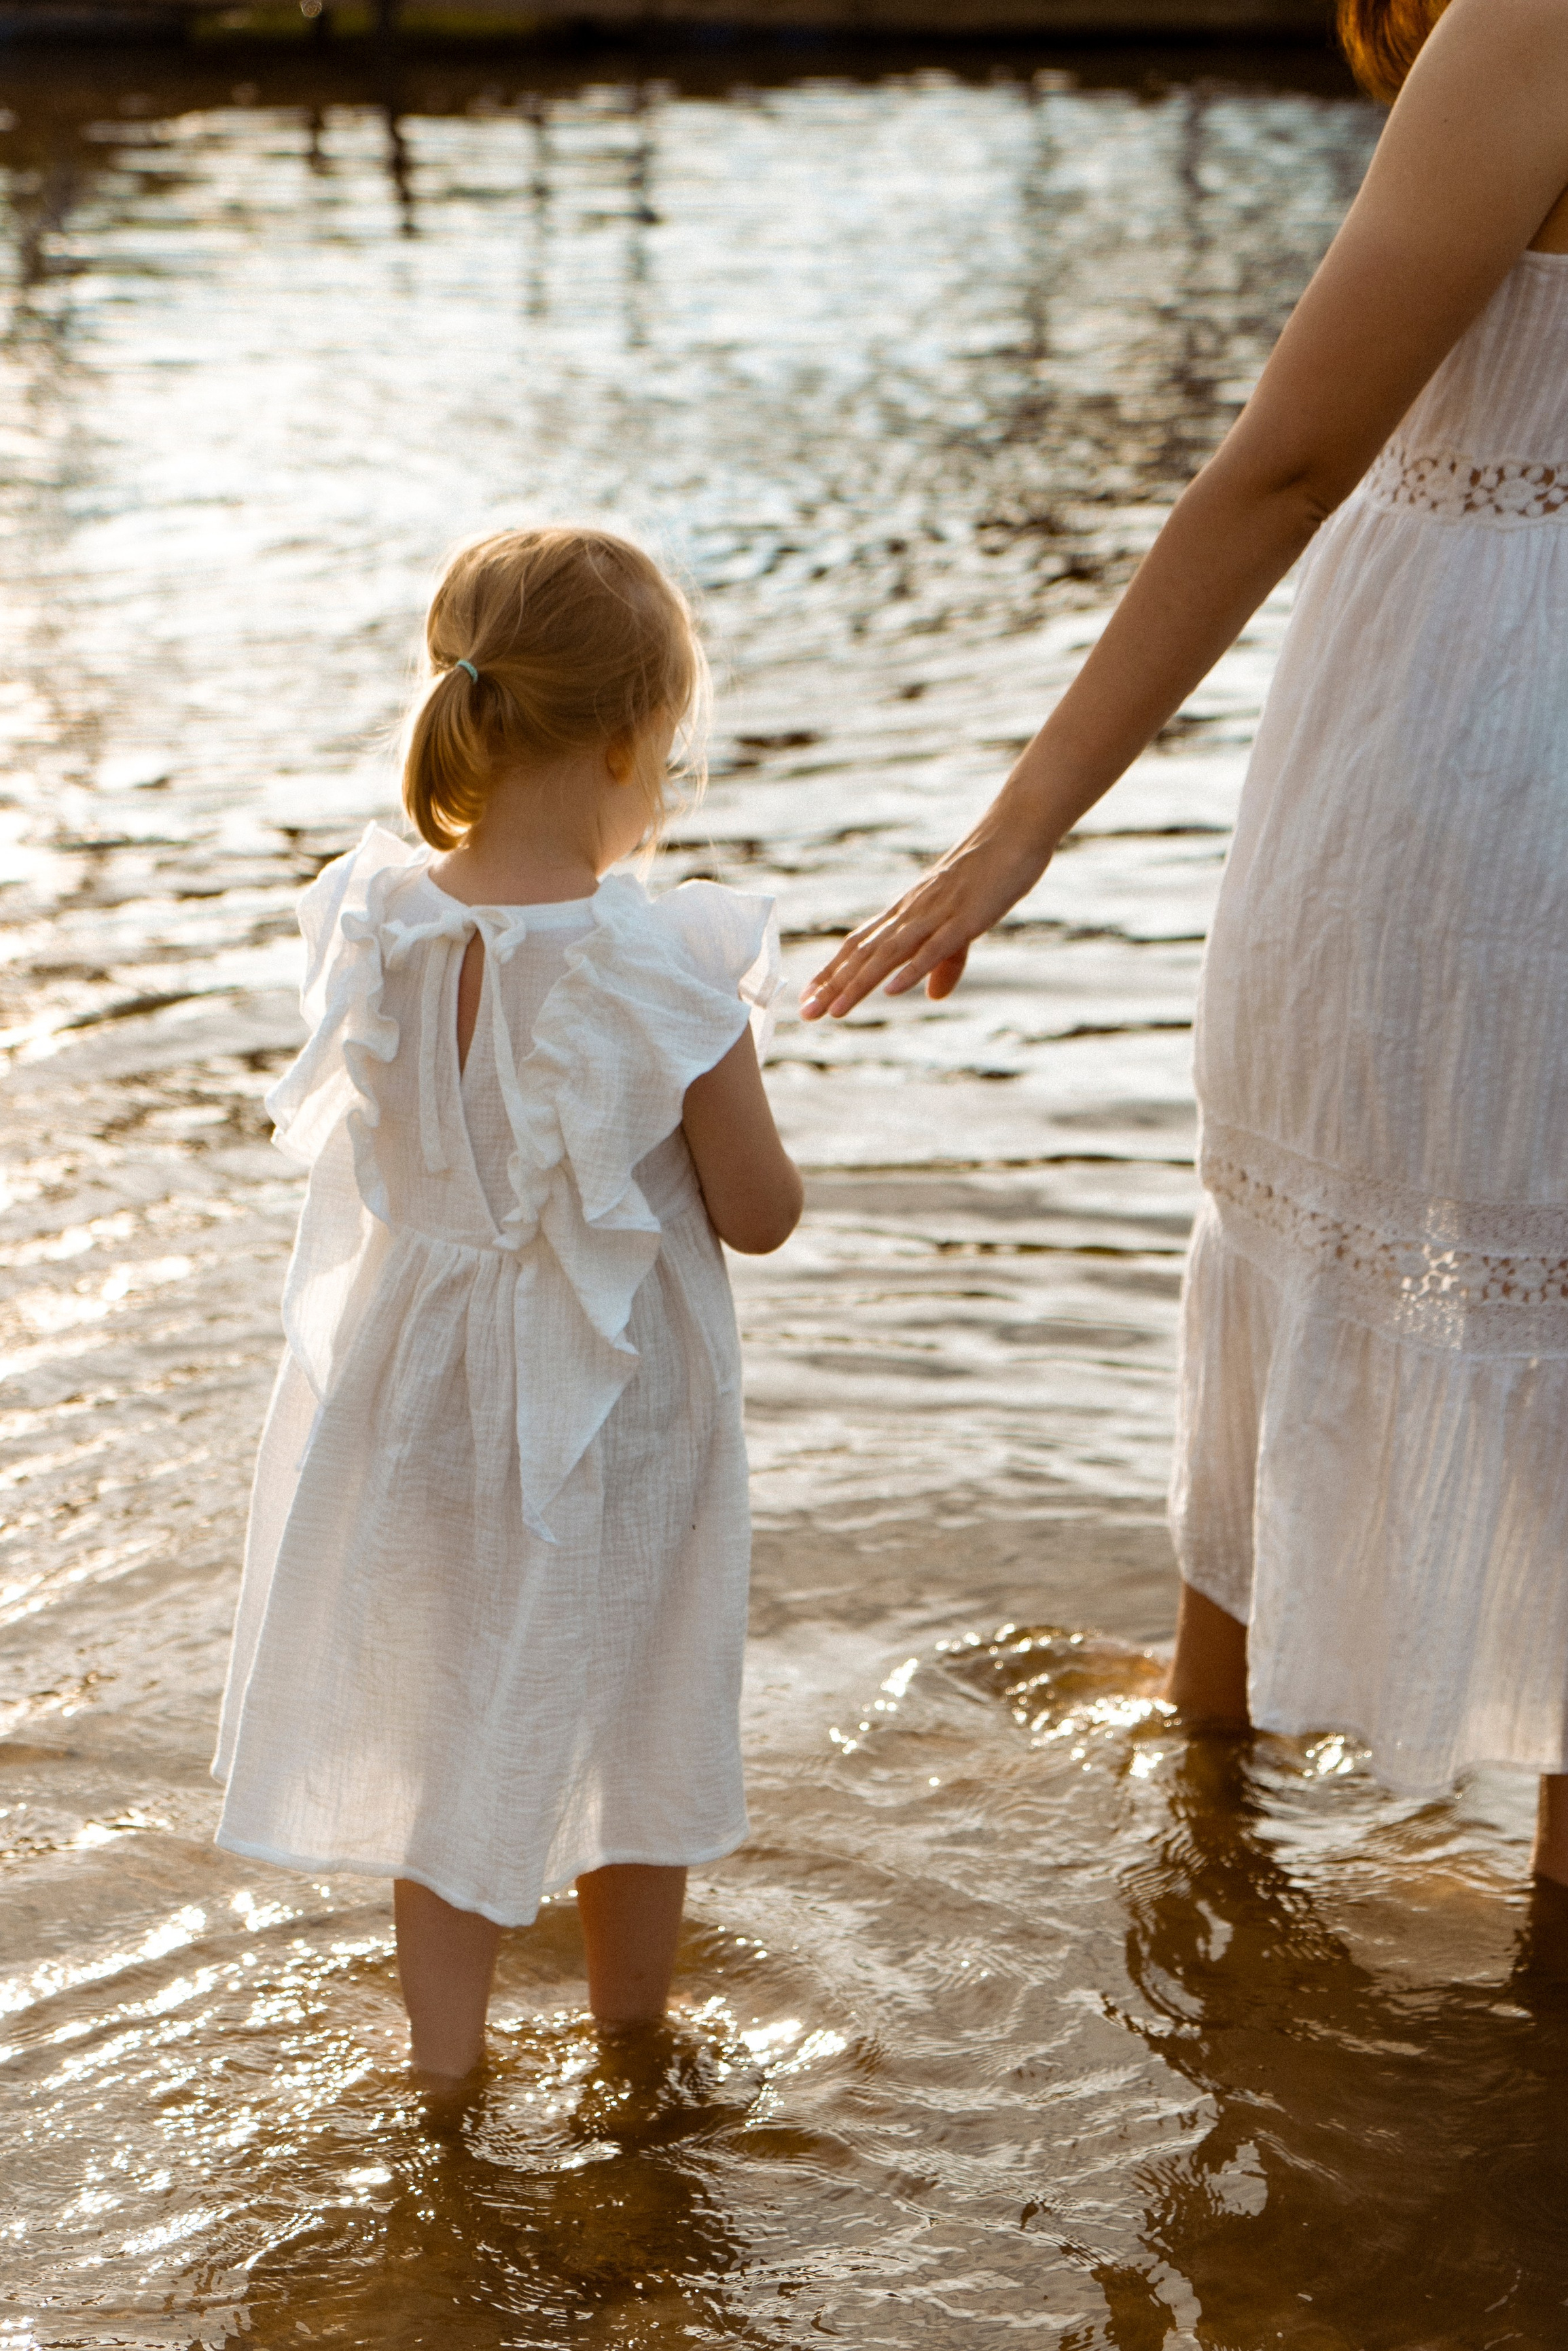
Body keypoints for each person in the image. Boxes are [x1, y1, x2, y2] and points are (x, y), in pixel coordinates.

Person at [802, 0, 1568, 1883]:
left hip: (1484, 754)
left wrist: (1017, 825)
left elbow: (1287, 463)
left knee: (1314, 1251)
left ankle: (1206, 1789)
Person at [213, 527, 802, 2089]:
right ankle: (630, 2046)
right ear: (625, 741)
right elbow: (758, 1210)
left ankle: (445, 2071)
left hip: (419, 1403)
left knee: (447, 1727)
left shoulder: (377, 922)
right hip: (616, 1423)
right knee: (638, 1706)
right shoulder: (667, 960)